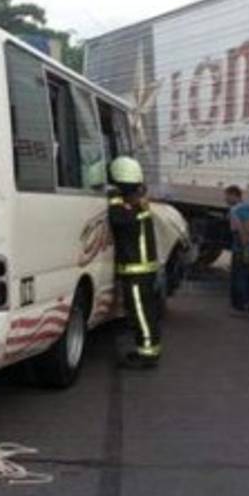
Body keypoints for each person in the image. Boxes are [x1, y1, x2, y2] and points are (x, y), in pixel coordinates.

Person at [107, 156, 162, 368]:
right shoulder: (138, 206)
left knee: (141, 313)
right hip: (140, 272)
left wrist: (112, 198)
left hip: (137, 273)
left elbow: (117, 218)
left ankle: (147, 355)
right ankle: (146, 349)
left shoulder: (131, 210)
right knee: (144, 311)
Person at [224, 185, 249, 319]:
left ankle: (239, 308)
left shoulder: (235, 211)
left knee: (238, 278)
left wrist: (244, 243)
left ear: (235, 195)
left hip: (242, 249)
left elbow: (240, 231)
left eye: (227, 196)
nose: (225, 199)